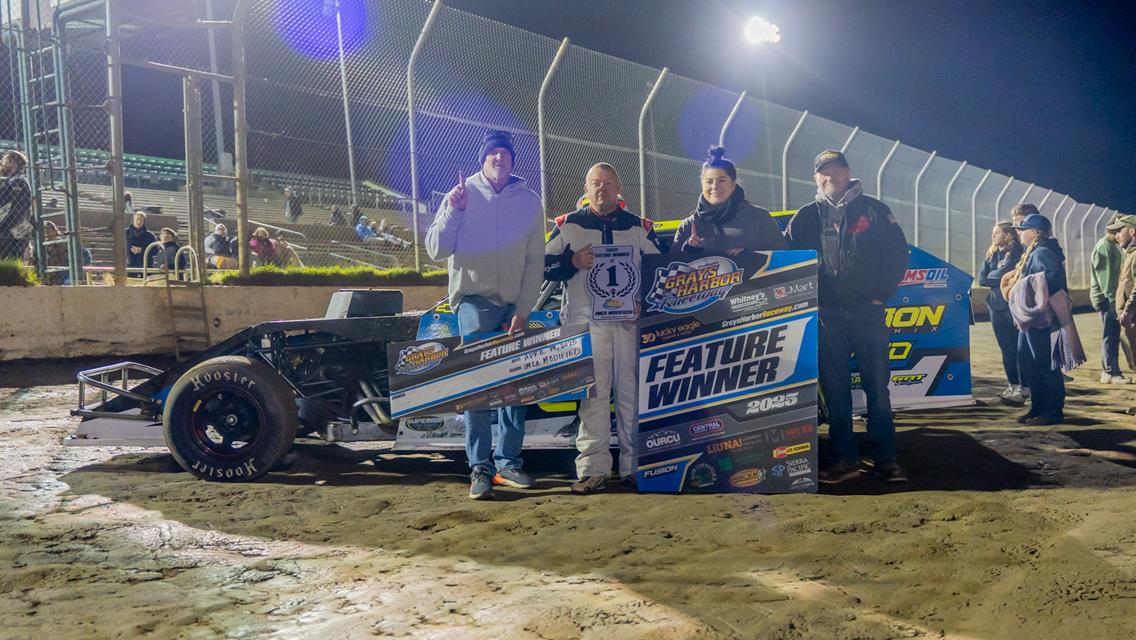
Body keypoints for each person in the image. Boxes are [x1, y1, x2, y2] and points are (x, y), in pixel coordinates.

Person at [425, 129, 545, 500]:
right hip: (474, 303)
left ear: (512, 160)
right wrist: (454, 211)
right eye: (493, 153)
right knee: (477, 386)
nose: (499, 158)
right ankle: (480, 467)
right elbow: (435, 249)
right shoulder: (461, 195)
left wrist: (523, 311)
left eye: (505, 153)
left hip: (512, 306)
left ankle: (508, 463)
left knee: (514, 387)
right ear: (483, 159)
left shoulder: (529, 201)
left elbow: (534, 262)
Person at [784, 149, 910, 484]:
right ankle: (845, 460)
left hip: (868, 313)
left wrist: (880, 296)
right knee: (835, 391)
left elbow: (898, 255)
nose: (831, 176)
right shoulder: (805, 217)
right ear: (816, 178)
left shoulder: (874, 210)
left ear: (848, 171)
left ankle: (887, 459)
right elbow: (784, 260)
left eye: (836, 169)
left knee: (877, 390)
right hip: (827, 315)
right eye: (824, 172)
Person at [545, 163, 666, 494]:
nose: (602, 188)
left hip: (629, 325)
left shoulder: (639, 227)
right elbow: (540, 265)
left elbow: (662, 270)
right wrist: (571, 262)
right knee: (593, 399)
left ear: (619, 188)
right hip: (586, 326)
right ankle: (592, 470)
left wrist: (645, 302)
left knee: (632, 396)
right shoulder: (567, 225)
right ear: (586, 188)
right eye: (596, 183)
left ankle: (636, 468)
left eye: (608, 182)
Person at [1008, 213, 1069, 426]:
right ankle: (1038, 407)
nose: (1019, 234)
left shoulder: (1043, 252)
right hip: (1033, 319)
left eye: (1022, 230)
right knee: (1028, 361)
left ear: (1034, 232)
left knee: (1045, 363)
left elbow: (1052, 278)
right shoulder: (1035, 251)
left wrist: (1024, 285)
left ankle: (1052, 411)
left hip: (1042, 319)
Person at [672, 146, 787, 255]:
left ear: (733, 183)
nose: (715, 186)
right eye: (709, 181)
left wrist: (751, 257)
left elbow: (784, 259)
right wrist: (688, 252)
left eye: (721, 181)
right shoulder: (688, 226)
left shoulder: (759, 218)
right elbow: (671, 266)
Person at [979, 222, 1029, 404]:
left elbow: (1013, 274)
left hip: (1011, 305)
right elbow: (982, 279)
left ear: (1007, 235)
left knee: (1018, 348)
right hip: (995, 306)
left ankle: (1025, 386)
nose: (993, 236)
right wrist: (1001, 277)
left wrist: (999, 276)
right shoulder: (991, 254)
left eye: (997, 233)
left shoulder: (1017, 252)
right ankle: (1013, 384)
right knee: (1005, 348)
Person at [1090, 216, 1133, 384]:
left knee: (1112, 334)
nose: (1119, 234)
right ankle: (1110, 372)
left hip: (1111, 298)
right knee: (1110, 335)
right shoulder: (1105, 247)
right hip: (1108, 299)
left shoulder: (1112, 246)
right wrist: (1114, 302)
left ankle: (1109, 370)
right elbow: (1106, 280)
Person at [1111, 216, 1136, 377]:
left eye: (1120, 231)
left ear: (1132, 231)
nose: (1116, 236)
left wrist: (1128, 310)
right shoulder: (1129, 253)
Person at [0, 150, 33, 262]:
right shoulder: (13, 180)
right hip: (18, 226)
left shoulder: (17, 181)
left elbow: (14, 208)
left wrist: (2, 227)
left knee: (10, 258)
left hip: (13, 227)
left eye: (5, 160)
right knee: (13, 259)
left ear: (12, 162)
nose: (2, 163)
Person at [23, 220, 68, 285]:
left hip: (57, 272)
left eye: (48, 229)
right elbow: (32, 258)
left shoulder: (60, 243)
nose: (46, 232)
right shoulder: (38, 244)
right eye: (44, 230)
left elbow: (62, 259)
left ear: (55, 231)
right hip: (42, 270)